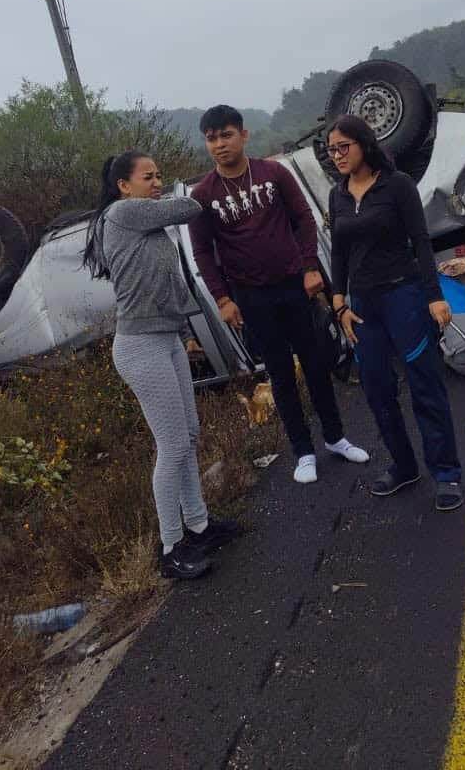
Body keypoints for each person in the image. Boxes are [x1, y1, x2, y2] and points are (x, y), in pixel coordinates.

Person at [189, 105, 368, 485]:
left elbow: (303, 217)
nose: (220, 144)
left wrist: (308, 267)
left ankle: (335, 438)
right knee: (281, 375)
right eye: (212, 138)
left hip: (293, 284)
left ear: (243, 135)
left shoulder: (273, 174)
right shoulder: (203, 194)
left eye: (227, 135)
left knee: (317, 362)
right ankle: (304, 452)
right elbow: (203, 251)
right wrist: (223, 299)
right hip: (250, 296)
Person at [83, 152, 239, 580]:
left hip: (165, 339)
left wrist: (183, 331)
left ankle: (199, 525)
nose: (157, 183)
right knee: (171, 446)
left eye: (159, 176)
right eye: (148, 177)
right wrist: (208, 181)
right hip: (140, 348)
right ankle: (171, 548)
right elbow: (188, 207)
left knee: (188, 434)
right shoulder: (124, 212)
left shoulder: (140, 220)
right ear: (123, 185)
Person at [327, 115, 463, 512]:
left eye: (343, 147)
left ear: (363, 145)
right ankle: (404, 465)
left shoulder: (397, 185)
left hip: (404, 295)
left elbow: (421, 241)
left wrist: (434, 296)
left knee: (424, 384)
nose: (336, 155)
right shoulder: (338, 195)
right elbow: (339, 253)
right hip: (363, 306)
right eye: (331, 149)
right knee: (377, 388)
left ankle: (446, 472)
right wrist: (338, 303)